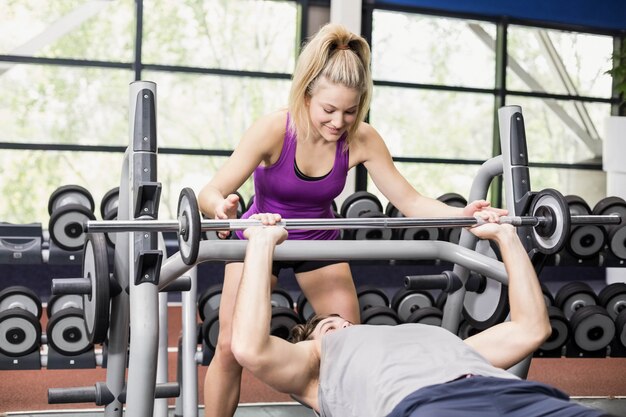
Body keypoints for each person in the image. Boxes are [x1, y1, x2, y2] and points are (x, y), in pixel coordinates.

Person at [197, 23, 506, 416]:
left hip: (319, 239)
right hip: (259, 238)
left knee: (351, 347)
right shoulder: (275, 129)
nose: (339, 122)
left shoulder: (362, 138)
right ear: (306, 93)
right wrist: (221, 207)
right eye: (328, 109)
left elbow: (409, 200)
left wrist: (462, 214)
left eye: (350, 111)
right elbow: (211, 191)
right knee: (229, 347)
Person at [231, 221, 611, 417]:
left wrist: (506, 237)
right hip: (427, 406)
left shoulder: (445, 344)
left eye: (343, 322)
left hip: (520, 397)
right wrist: (261, 245)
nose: (345, 325)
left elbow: (532, 328)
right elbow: (249, 348)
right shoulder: (317, 365)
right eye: (330, 325)